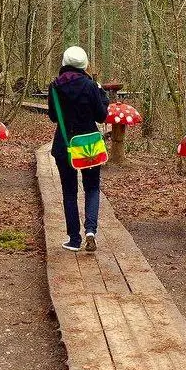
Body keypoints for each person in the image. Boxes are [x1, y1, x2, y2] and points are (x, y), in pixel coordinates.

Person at [47, 46, 109, 252]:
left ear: (64, 62)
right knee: (92, 188)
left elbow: (54, 117)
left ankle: (74, 239)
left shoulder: (55, 86)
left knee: (69, 192)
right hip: (89, 146)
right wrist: (101, 93)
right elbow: (101, 116)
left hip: (64, 146)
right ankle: (91, 230)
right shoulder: (91, 86)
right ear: (84, 65)